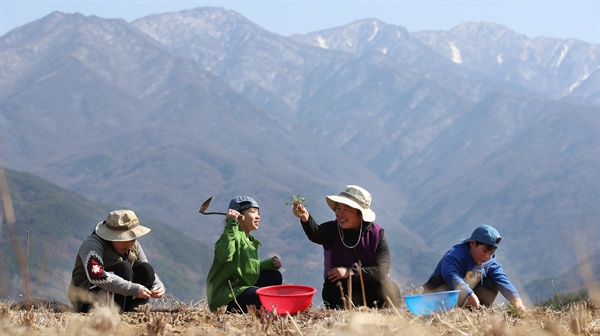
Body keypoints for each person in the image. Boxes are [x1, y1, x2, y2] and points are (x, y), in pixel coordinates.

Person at [291, 185, 402, 309]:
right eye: (338, 208)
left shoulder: (376, 234)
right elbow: (317, 235)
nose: (340, 214)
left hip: (372, 286)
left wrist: (349, 272)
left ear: (360, 214)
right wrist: (306, 219)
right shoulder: (333, 229)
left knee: (389, 289)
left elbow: (382, 270)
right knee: (332, 286)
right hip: (343, 289)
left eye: (346, 209)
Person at [68, 209, 165, 313]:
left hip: (121, 296)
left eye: (132, 239)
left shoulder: (134, 245)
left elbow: (147, 269)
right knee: (123, 268)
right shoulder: (92, 245)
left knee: (145, 269)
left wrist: (158, 285)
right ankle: (114, 314)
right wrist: (133, 289)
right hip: (87, 299)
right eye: (123, 239)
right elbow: (96, 275)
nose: (128, 244)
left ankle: (133, 312)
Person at [423, 224, 526, 312]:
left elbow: (502, 280)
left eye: (492, 253)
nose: (487, 256)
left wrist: (516, 300)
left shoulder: (489, 263)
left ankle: (475, 313)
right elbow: (450, 274)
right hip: (444, 298)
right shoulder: (455, 254)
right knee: (437, 280)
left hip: (470, 302)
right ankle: (434, 310)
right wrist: (468, 293)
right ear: (472, 243)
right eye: (485, 251)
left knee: (491, 284)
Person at [206, 196, 283, 313]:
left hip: (241, 289)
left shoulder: (250, 240)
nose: (258, 217)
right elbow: (224, 255)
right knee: (264, 297)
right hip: (226, 297)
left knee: (274, 276)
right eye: (253, 212)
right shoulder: (231, 235)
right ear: (239, 215)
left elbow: (244, 269)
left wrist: (268, 264)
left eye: (258, 213)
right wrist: (232, 223)